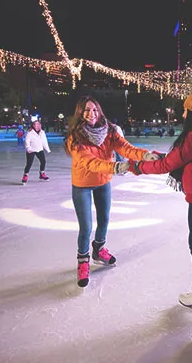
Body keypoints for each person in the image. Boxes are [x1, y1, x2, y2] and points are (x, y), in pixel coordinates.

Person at [128, 81, 192, 345]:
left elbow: (168, 164)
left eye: (186, 111)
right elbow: (179, 159)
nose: (182, 114)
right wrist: (156, 157)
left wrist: (138, 167)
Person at [64, 96, 159, 288]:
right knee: (86, 226)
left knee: (104, 219)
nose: (91, 114)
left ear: (100, 111)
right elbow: (89, 162)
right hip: (82, 183)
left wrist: (145, 155)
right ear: (80, 113)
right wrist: (118, 167)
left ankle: (99, 250)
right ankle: (83, 261)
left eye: (95, 110)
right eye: (87, 110)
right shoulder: (75, 136)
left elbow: (126, 148)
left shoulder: (110, 131)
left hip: (103, 181)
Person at [22, 120, 51, 184]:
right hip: (31, 150)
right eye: (36, 124)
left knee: (43, 161)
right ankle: (25, 175)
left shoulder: (42, 132)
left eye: (39, 124)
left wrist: (47, 149)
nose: (38, 126)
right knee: (29, 163)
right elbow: (27, 141)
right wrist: (28, 148)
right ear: (33, 125)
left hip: (39, 149)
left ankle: (42, 173)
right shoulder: (30, 132)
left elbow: (44, 141)